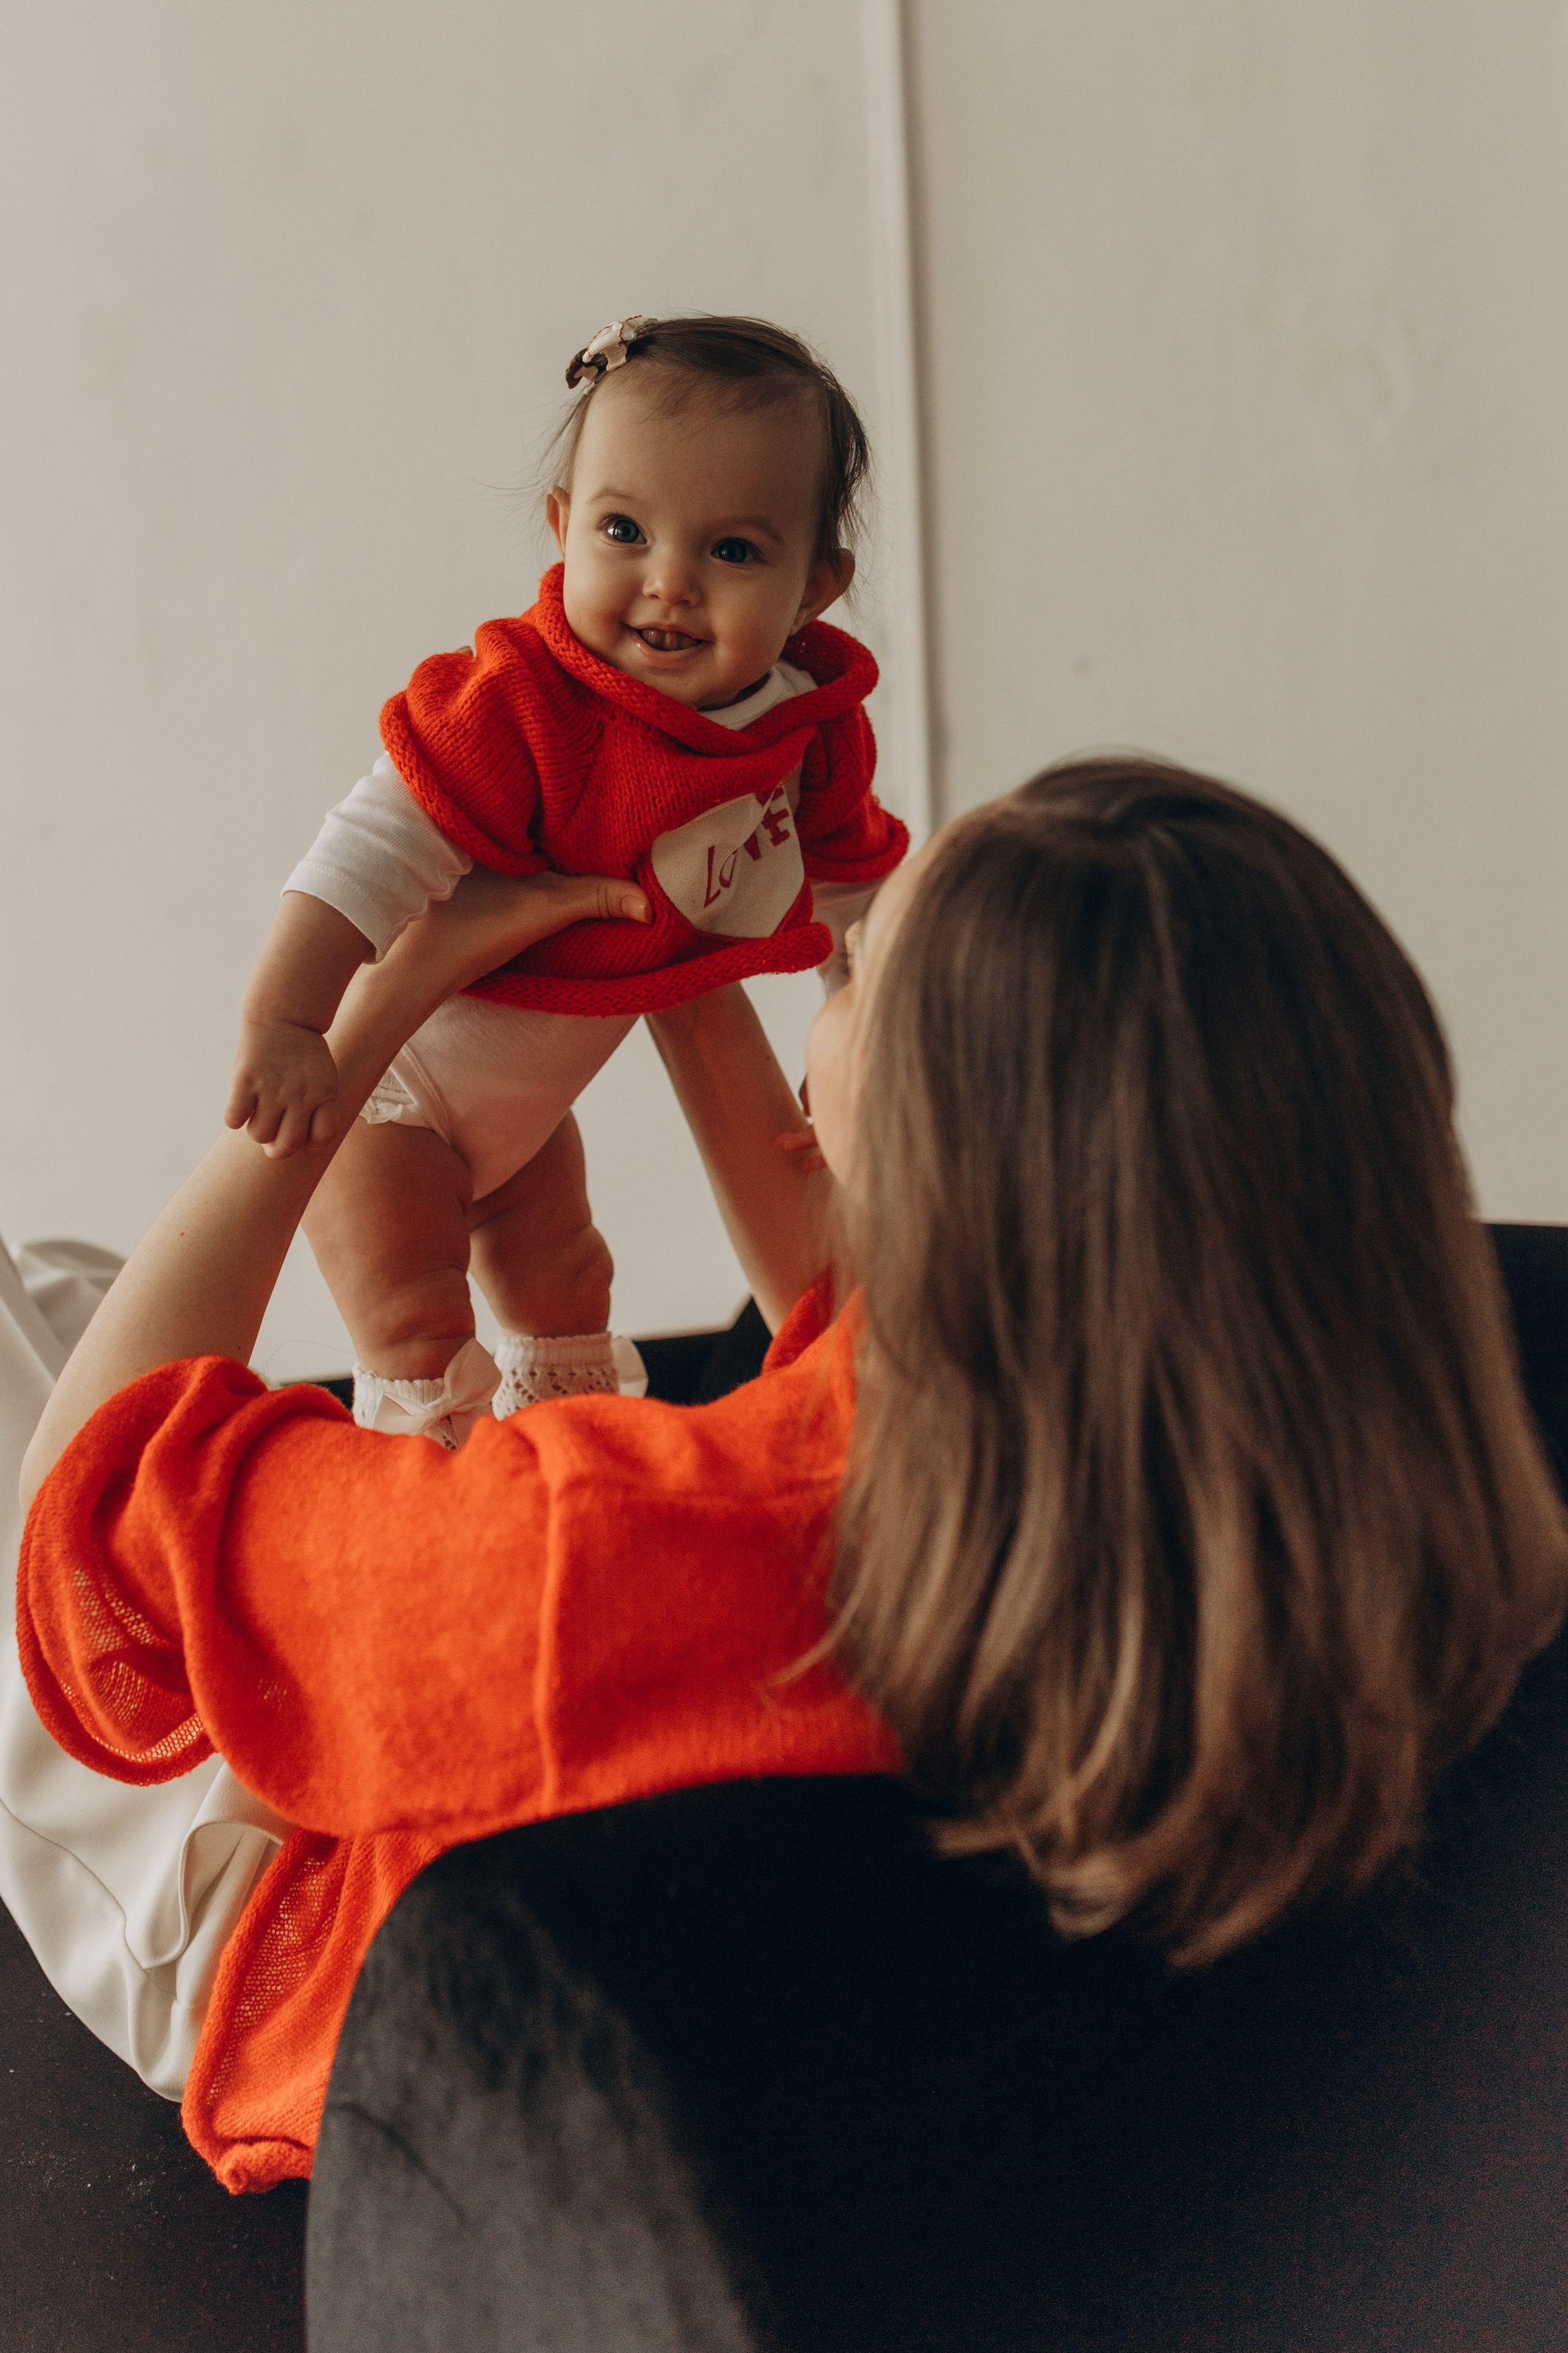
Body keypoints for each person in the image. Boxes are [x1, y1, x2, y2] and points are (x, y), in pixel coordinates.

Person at [16, 760, 1566, 2207]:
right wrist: (671, 961)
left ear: (934, 1149)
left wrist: (362, 1027)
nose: (823, 963)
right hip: (593, 1775)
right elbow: (844, 1289)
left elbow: (95, 1517)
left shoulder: (620, 1543)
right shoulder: (1301, 1492)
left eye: (850, 968)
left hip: (283, 1922)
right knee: (69, 1286)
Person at [226, 314, 906, 1443]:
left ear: (815, 590)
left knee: (570, 1283)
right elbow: (369, 846)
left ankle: (569, 1464)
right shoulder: (524, 703)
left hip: (527, 1114)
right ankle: (438, 1489)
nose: (668, 583)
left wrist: (865, 1052)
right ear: (562, 528)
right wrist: (288, 1020)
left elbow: (858, 901)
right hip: (394, 1091)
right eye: (624, 530)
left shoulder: (806, 731)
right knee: (415, 1319)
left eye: (734, 552)